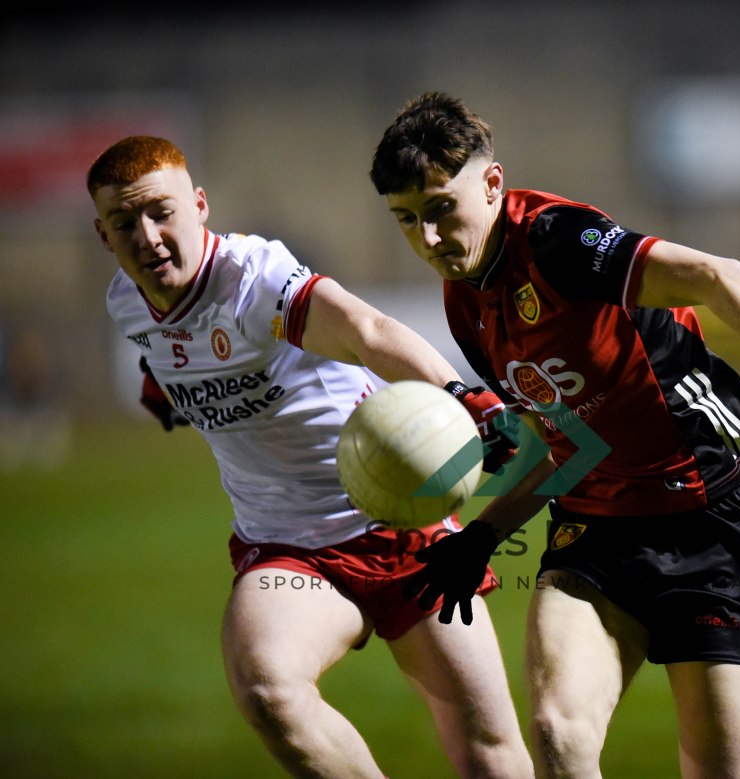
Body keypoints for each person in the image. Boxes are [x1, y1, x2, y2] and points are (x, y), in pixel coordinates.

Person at [369, 92, 740, 779]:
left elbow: (719, 276)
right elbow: (565, 443)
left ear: (492, 184)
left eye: (442, 208)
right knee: (558, 734)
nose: (430, 239)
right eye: (407, 219)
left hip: (704, 522)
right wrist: (484, 533)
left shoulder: (560, 242)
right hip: (595, 532)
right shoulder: (465, 301)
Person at [88, 135, 533, 779]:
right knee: (268, 690)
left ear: (200, 206)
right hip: (287, 548)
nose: (149, 237)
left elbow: (367, 331)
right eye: (125, 222)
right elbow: (176, 355)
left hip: (402, 524)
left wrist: (465, 398)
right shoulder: (126, 303)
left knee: (488, 751)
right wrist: (167, 394)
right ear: (103, 235)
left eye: (162, 212)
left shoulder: (252, 280)